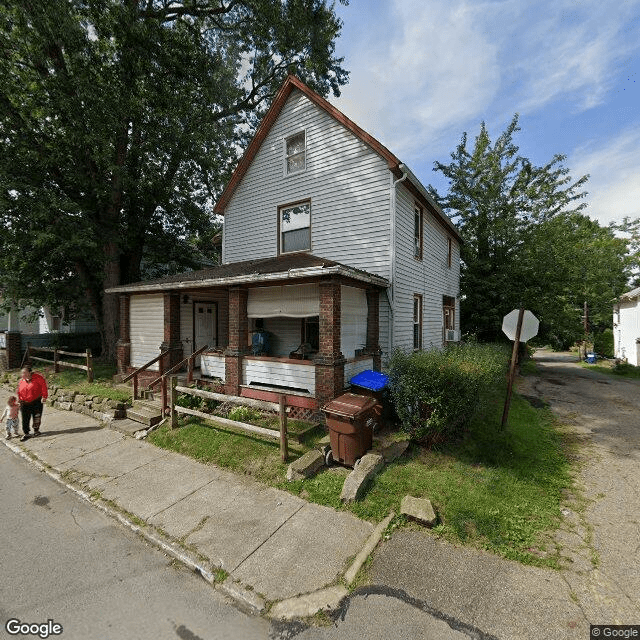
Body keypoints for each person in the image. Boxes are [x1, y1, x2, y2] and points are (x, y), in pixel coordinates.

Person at [17, 366, 48, 441]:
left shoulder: (38, 378)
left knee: (36, 416)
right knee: (25, 418)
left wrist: (44, 396)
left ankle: (36, 431)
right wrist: (19, 400)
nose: (22, 374)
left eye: (24, 372)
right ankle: (26, 433)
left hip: (36, 401)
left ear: (29, 373)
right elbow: (19, 390)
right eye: (22, 373)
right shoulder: (21, 381)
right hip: (24, 402)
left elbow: (44, 386)